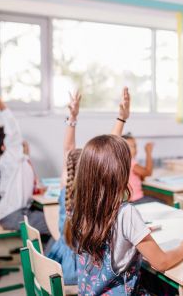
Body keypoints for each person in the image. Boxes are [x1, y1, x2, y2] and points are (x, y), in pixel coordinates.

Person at [67, 135, 183, 294]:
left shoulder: (80, 208)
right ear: (121, 171)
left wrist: (136, 233)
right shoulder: (125, 213)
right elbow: (161, 263)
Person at [47, 87, 131, 284]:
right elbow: (109, 152)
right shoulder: (93, 197)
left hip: (59, 263)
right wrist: (121, 118)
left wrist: (72, 116)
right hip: (82, 271)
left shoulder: (66, 185)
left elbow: (68, 149)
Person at [0, 92, 49, 236]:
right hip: (13, 216)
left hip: (15, 213)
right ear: (5, 146)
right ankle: (44, 258)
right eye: (11, 141)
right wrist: (0, 102)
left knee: (53, 221)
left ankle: (44, 255)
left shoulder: (16, 161)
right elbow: (13, 129)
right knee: (58, 224)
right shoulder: (9, 158)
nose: (18, 141)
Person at [122, 134, 155, 204]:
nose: (135, 149)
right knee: (164, 202)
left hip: (128, 201)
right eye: (132, 146)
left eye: (135, 146)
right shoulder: (130, 162)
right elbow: (148, 172)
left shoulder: (122, 162)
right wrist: (148, 152)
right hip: (136, 200)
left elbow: (142, 177)